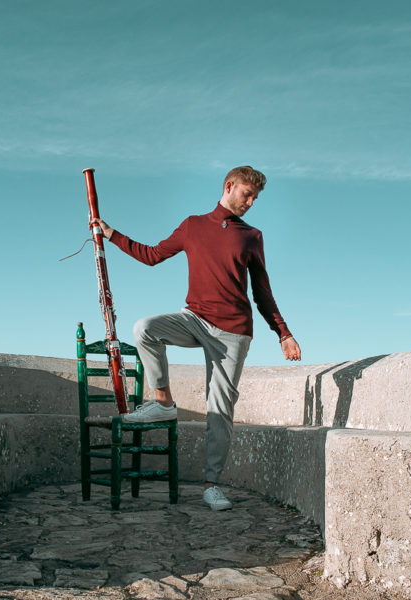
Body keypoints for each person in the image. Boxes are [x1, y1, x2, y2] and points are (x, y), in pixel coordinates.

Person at [91, 166, 301, 511]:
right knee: (145, 327)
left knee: (219, 409)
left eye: (256, 198)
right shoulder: (192, 226)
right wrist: (111, 233)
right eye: (247, 194)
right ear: (229, 186)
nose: (251, 202)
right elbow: (151, 255)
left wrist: (284, 333)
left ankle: (211, 485)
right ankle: (163, 403)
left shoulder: (252, 236)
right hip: (195, 320)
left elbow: (262, 291)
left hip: (233, 333)